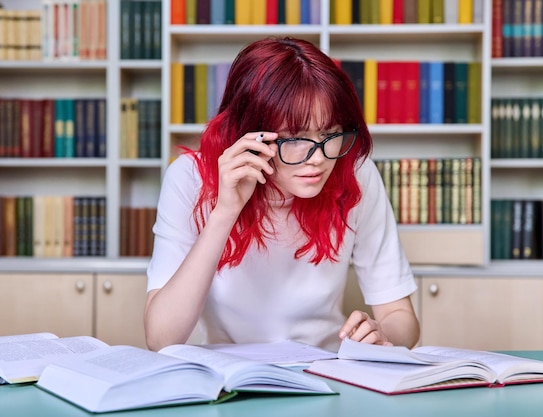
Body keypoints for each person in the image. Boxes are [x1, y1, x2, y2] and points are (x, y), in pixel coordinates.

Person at [144, 37, 420, 352]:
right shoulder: (190, 178)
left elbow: (402, 318)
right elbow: (160, 338)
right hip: (230, 378)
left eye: (329, 133)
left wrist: (382, 334)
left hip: (322, 370)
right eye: (294, 137)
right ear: (250, 135)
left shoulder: (354, 173)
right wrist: (224, 211)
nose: (318, 157)